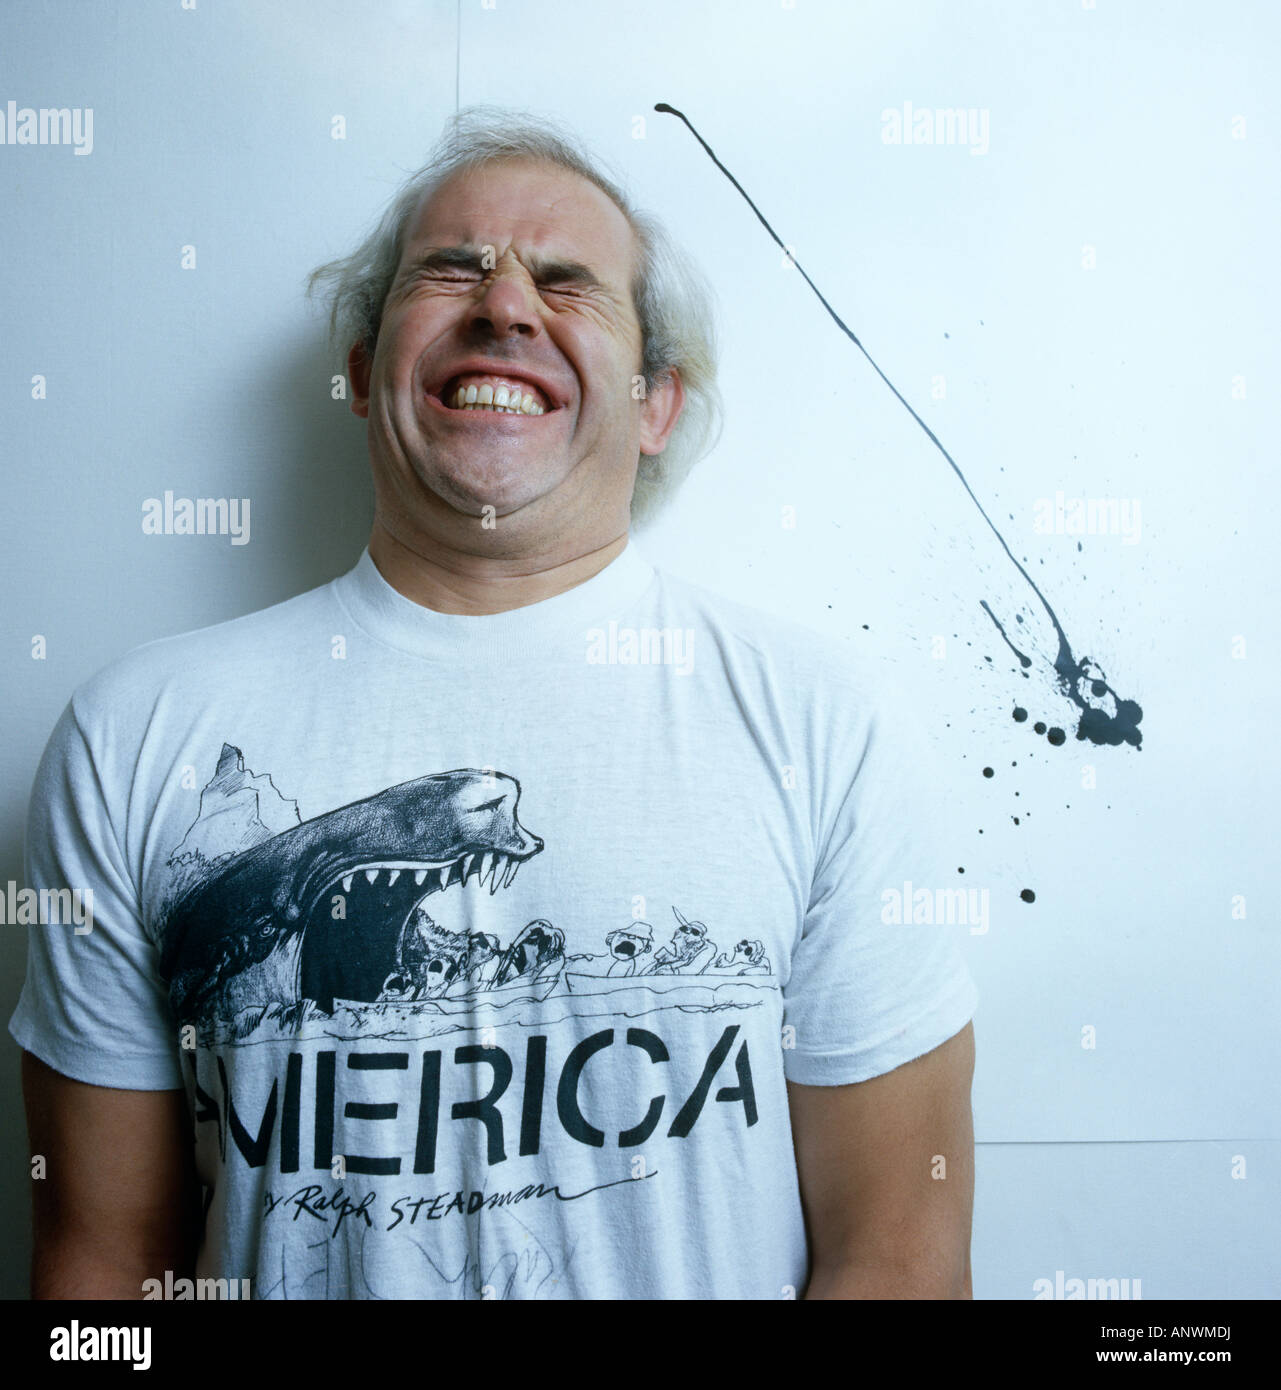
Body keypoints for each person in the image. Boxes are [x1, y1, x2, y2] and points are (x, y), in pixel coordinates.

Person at [11, 107, 978, 1300]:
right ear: (363, 372)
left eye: (567, 284)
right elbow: (98, 1269)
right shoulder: (133, 733)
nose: (506, 306)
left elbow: (899, 1261)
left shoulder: (825, 727)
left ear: (657, 400)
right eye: (452, 270)